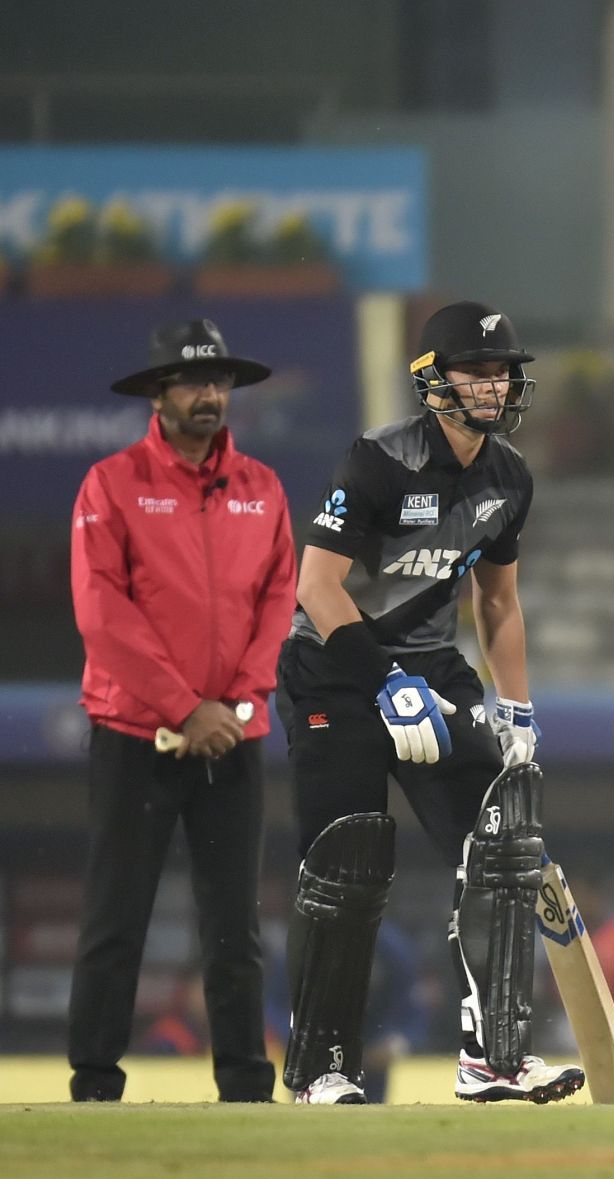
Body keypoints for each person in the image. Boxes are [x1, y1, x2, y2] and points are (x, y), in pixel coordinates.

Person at [274, 300, 583, 1105]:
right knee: (347, 859)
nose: (494, 385)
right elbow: (316, 587)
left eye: (502, 370)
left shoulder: (509, 475)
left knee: (505, 834)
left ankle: (495, 1059)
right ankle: (320, 1068)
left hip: (432, 666)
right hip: (336, 671)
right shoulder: (378, 460)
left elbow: (500, 604)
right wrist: (384, 681)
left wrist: (515, 711)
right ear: (433, 380)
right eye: (476, 371)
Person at [67, 320, 294, 1103]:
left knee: (236, 927)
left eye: (221, 382)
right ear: (158, 393)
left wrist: (236, 702)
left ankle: (245, 1084)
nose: (211, 395)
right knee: (114, 918)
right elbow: (103, 614)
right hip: (135, 733)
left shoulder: (262, 488)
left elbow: (278, 602)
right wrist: (185, 706)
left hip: (232, 734)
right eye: (195, 382)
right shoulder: (111, 483)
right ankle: (95, 1082)